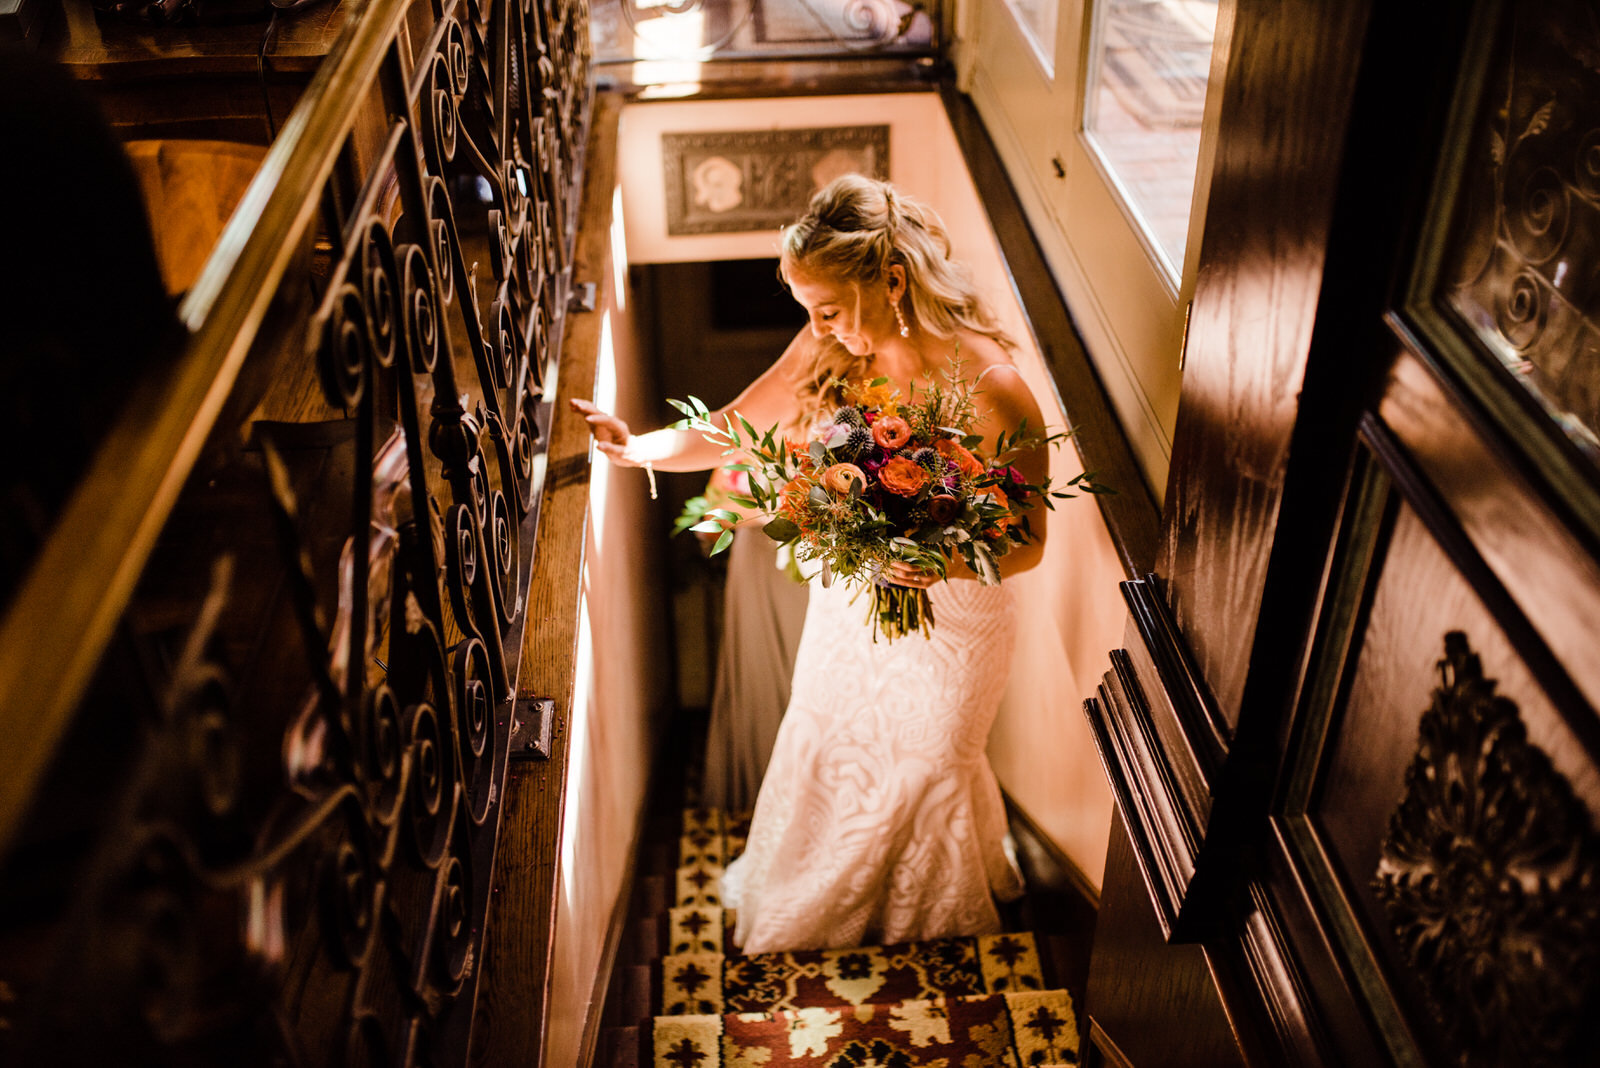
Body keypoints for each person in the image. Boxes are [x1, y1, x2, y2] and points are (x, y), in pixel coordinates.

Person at [570, 174, 1049, 953]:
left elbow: (1026, 544)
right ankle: (812, 897)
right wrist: (638, 449)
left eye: (827, 308)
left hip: (959, 620)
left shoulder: (996, 390)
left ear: (892, 281)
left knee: (930, 758)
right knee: (832, 737)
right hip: (854, 604)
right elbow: (732, 426)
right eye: (808, 311)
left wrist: (940, 564)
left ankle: (926, 923)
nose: (818, 326)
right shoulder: (831, 348)